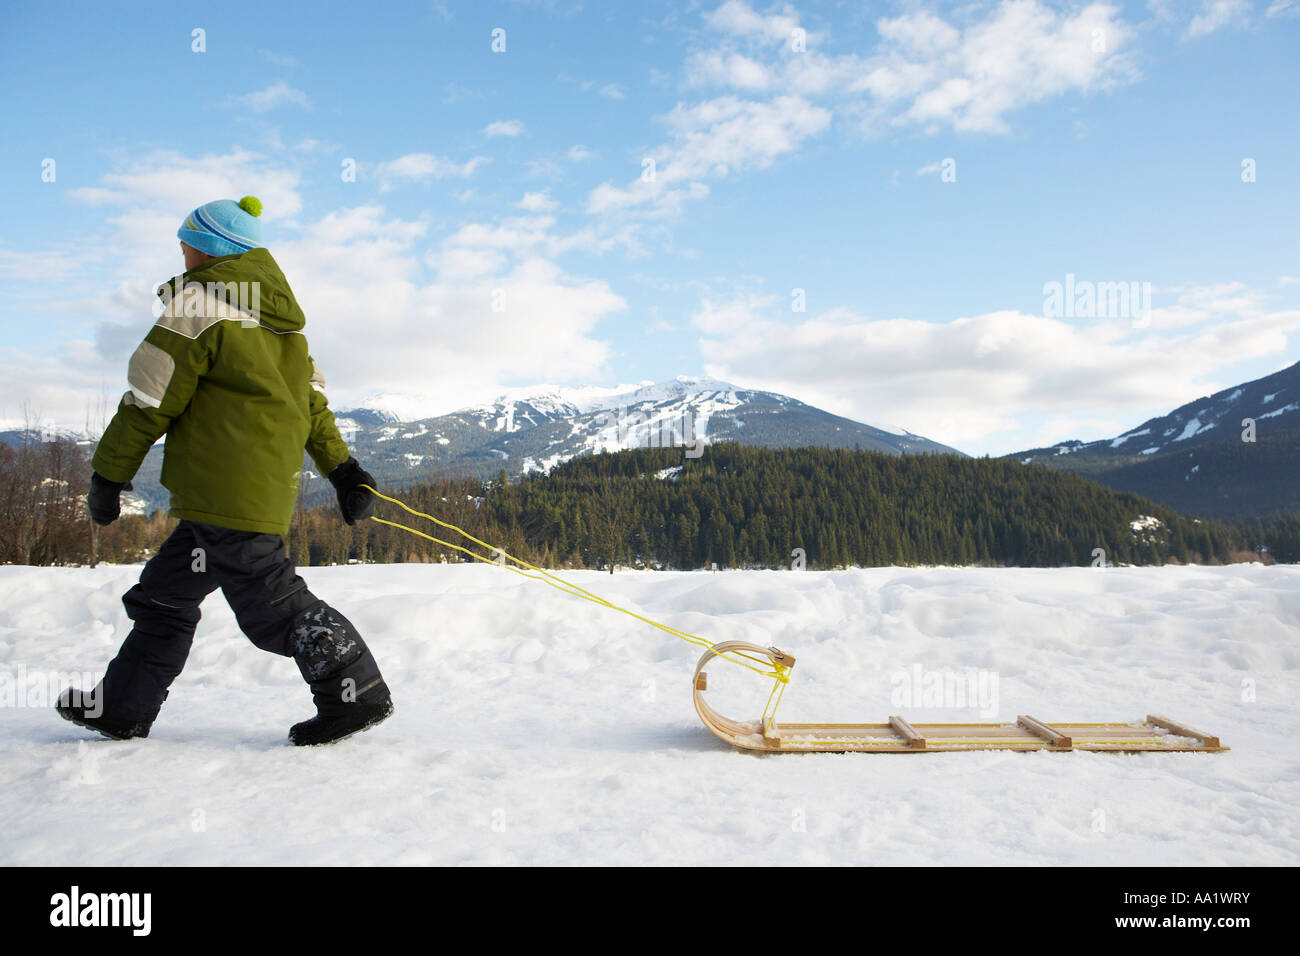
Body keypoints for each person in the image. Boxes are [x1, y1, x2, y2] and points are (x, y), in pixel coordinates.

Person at [57, 196, 393, 746]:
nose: (182, 251)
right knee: (165, 597)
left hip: (225, 492)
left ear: (209, 249)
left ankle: (357, 695)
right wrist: (344, 470)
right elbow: (310, 406)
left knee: (274, 607)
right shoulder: (284, 327)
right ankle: (121, 707)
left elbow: (149, 396)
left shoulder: (198, 305)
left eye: (186, 241)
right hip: (241, 493)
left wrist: (108, 476)